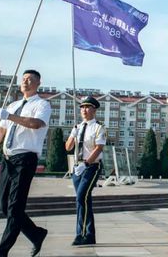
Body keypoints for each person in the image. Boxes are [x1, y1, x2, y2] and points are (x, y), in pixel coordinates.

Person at [0, 69, 51, 257]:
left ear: (38, 83)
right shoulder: (12, 105)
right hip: (8, 159)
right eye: (24, 79)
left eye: (30, 80)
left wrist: (9, 116)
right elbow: (0, 134)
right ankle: (36, 234)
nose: (25, 82)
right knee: (5, 206)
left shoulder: (42, 105)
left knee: (15, 207)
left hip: (25, 159)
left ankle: (1, 252)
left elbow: (36, 124)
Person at [65, 96, 106, 246]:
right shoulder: (77, 127)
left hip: (91, 166)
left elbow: (99, 148)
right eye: (82, 107)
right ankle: (90, 235)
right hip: (77, 167)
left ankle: (80, 234)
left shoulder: (99, 127)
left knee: (81, 197)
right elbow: (68, 147)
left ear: (94, 110)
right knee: (83, 200)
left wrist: (87, 163)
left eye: (88, 107)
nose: (84, 110)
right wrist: (72, 135)